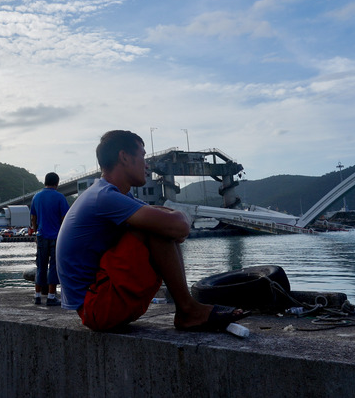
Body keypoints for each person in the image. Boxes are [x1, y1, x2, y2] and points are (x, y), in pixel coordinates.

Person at [56, 130, 248, 332]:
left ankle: (187, 308)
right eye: (143, 156)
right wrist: (178, 216)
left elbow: (173, 222)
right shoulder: (103, 197)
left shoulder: (112, 195)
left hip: (101, 303)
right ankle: (187, 310)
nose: (147, 165)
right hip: (97, 307)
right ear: (124, 157)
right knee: (157, 228)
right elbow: (177, 225)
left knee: (158, 224)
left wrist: (174, 218)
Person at [30, 172, 69, 306]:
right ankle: (51, 297)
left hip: (41, 236)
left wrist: (36, 232)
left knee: (40, 266)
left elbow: (33, 218)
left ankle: (37, 296)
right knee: (54, 266)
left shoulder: (36, 197)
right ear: (57, 183)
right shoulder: (60, 197)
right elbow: (65, 218)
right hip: (56, 237)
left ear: (45, 182)